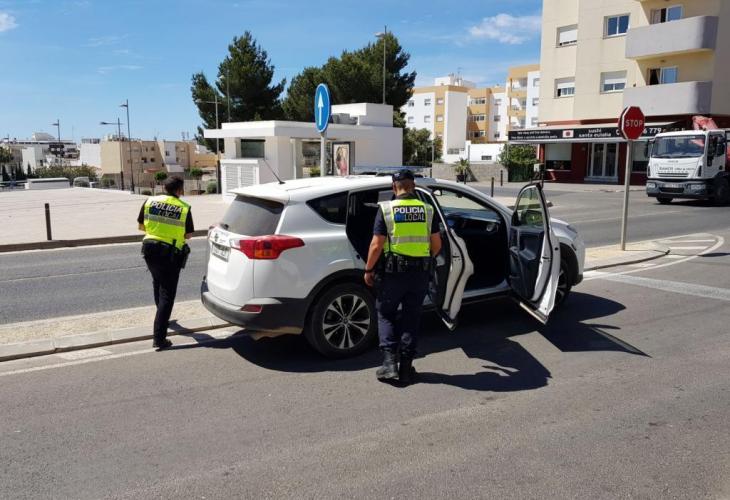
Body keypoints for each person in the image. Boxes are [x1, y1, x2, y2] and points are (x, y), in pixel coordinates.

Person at [364, 169, 442, 386]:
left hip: (393, 275)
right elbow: (437, 245)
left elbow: (376, 245)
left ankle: (390, 365)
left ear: (393, 187)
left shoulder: (386, 209)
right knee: (411, 318)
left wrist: (368, 270)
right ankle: (406, 369)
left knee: (385, 313)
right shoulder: (427, 209)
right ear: (414, 186)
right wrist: (423, 259)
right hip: (419, 275)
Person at [137, 176, 194, 350]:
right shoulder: (183, 208)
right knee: (167, 295)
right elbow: (188, 235)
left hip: (149, 249)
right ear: (179, 190)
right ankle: (159, 338)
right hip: (169, 254)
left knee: (157, 283)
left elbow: (141, 226)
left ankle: (161, 318)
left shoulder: (150, 201)